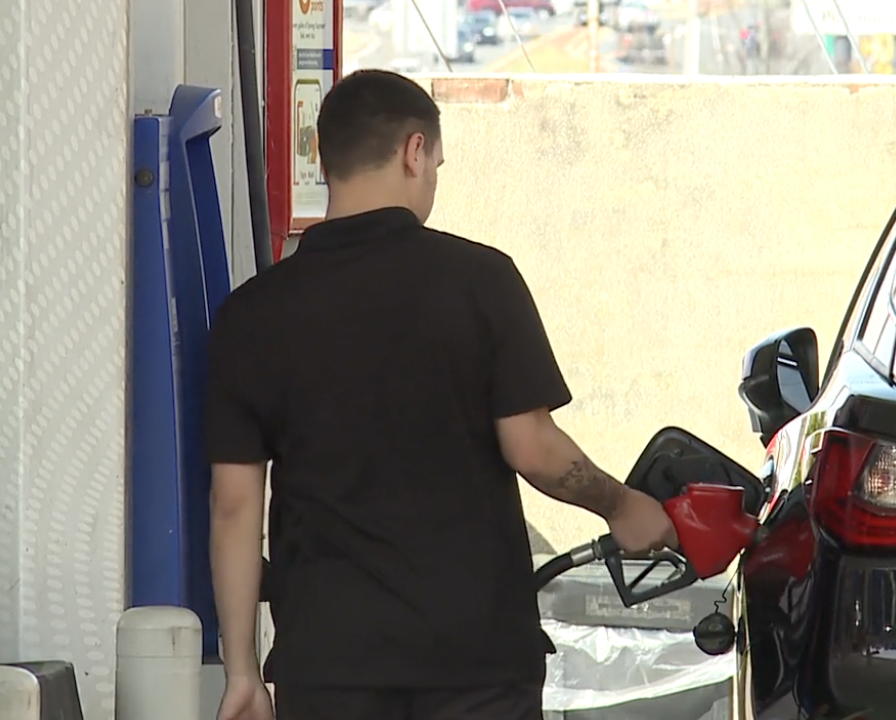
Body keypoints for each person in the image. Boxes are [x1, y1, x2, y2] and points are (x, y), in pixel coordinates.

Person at [206, 69, 679, 720]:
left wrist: (241, 672)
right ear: (414, 151)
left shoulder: (250, 316)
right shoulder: (481, 281)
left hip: (329, 662)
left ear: (324, 156)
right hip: (475, 658)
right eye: (436, 164)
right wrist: (622, 505)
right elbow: (533, 447)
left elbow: (233, 508)